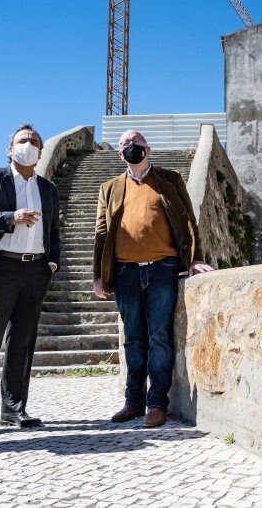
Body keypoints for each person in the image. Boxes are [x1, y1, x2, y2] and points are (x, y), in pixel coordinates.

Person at [93, 129, 213, 428]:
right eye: (125, 145)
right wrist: (99, 275)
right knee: (133, 339)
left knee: (159, 337)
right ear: (120, 154)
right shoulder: (109, 188)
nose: (131, 147)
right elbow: (101, 233)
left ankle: (156, 403)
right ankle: (133, 402)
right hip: (125, 272)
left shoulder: (169, 179)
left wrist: (195, 258)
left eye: (137, 143)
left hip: (163, 268)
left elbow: (188, 220)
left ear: (148, 148)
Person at [0, 124, 60, 440]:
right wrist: (11, 218)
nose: (28, 145)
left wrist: (52, 262)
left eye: (34, 142)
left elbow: (54, 230)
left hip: (36, 271)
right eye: (23, 140)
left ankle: (14, 409)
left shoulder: (48, 188)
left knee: (23, 342)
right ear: (10, 149)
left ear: (41, 152)